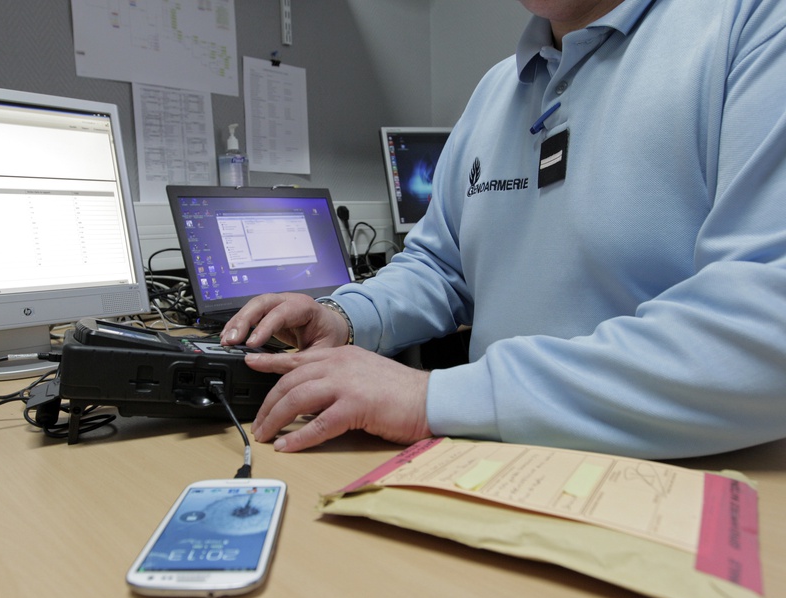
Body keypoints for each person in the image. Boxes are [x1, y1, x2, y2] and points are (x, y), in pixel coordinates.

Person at [222, 0, 786, 460]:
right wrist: (345, 317)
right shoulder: (497, 90)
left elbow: (767, 329)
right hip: (498, 461)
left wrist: (434, 397)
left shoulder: (754, 26)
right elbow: (441, 265)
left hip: (686, 477)